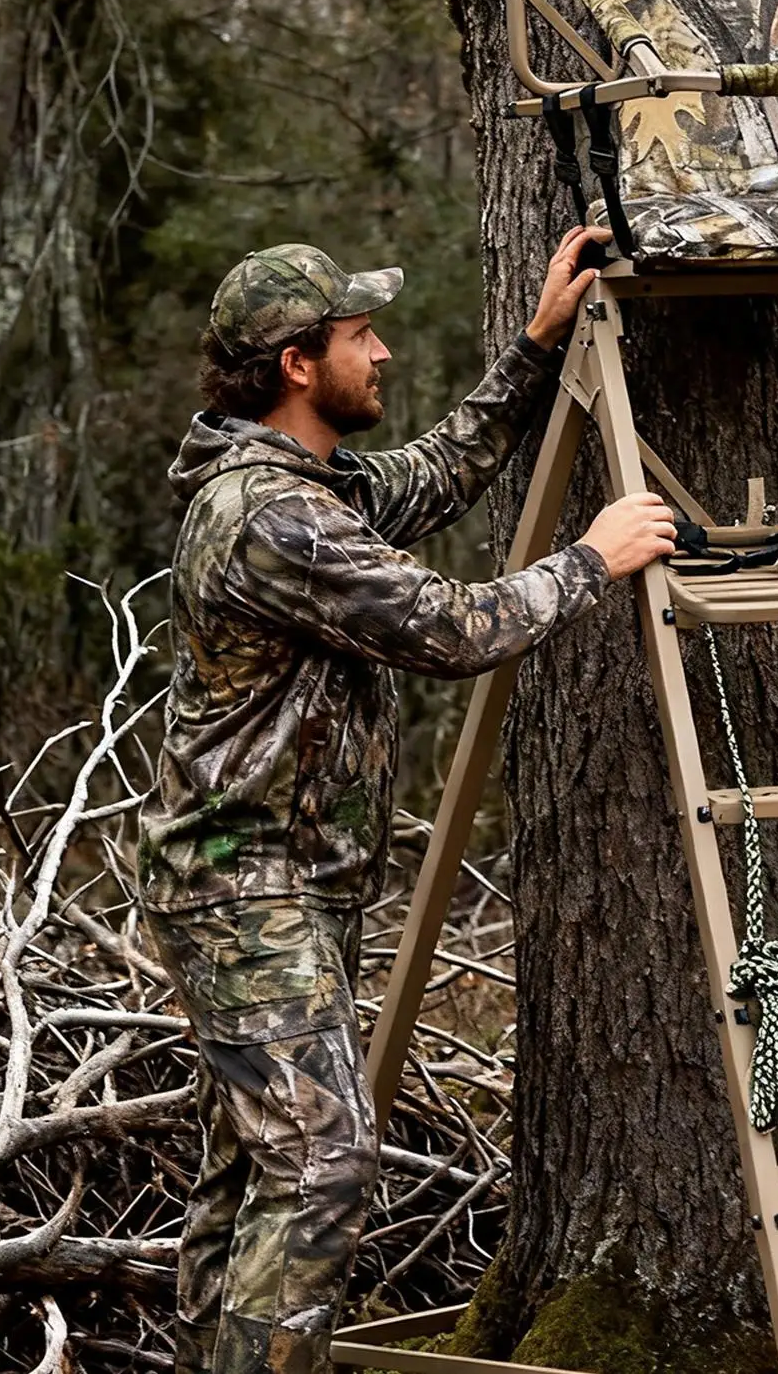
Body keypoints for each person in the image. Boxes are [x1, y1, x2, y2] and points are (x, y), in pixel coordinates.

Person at [138, 227, 676, 1374]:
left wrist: (534, 350)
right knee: (321, 1161)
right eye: (358, 335)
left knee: (249, 1169)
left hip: (275, 882)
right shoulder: (271, 518)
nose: (381, 353)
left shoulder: (310, 485)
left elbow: (433, 474)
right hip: (239, 886)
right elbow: (450, 628)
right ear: (296, 362)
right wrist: (592, 557)